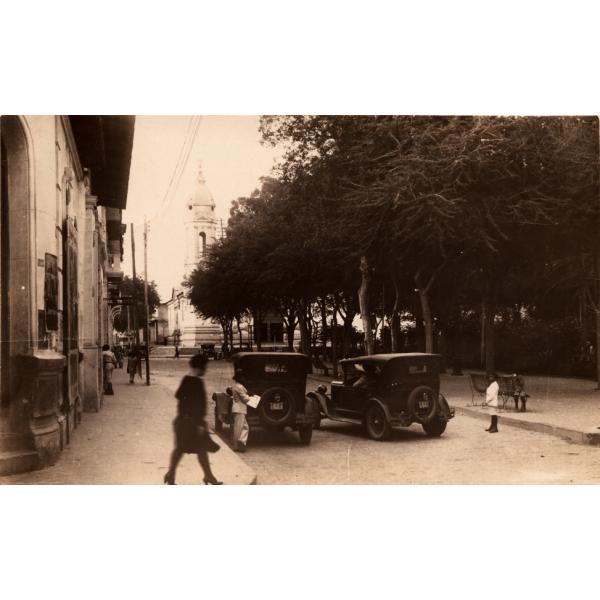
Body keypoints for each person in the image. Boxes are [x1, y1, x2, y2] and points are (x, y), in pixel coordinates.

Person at [164, 353, 222, 485]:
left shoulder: (186, 379)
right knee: (198, 450)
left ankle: (171, 476)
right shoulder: (197, 382)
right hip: (193, 423)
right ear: (200, 368)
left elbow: (179, 397)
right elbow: (200, 406)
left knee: (181, 450)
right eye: (205, 367)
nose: (206, 370)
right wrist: (199, 424)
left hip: (182, 421)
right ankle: (208, 477)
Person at [230, 370, 251, 453]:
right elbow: (245, 399)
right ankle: (238, 446)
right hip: (240, 408)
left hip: (237, 407)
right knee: (239, 428)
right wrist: (250, 397)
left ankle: (240, 443)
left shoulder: (235, 386)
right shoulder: (240, 387)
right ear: (240, 378)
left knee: (244, 427)